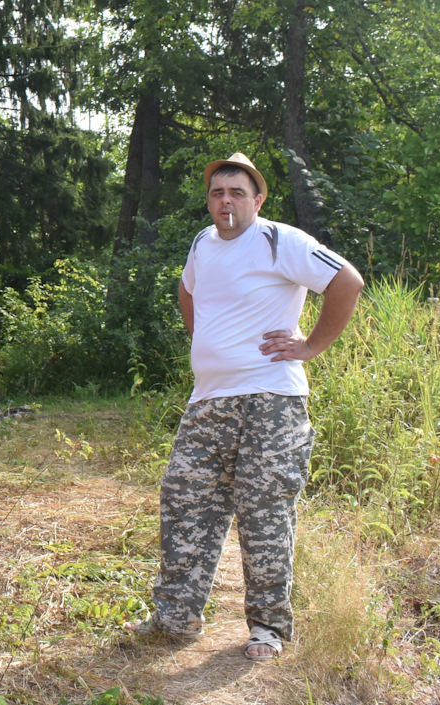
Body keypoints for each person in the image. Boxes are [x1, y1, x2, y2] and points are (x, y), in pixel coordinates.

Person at [127, 152, 365, 661]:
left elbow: (348, 281)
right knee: (185, 500)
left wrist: (310, 346)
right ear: (209, 201)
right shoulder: (201, 244)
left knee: (264, 512)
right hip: (208, 401)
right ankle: (176, 619)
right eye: (217, 193)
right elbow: (187, 291)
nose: (226, 200)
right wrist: (205, 341)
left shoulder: (282, 241)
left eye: (237, 192)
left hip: (270, 400)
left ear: (257, 200)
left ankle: (268, 629)